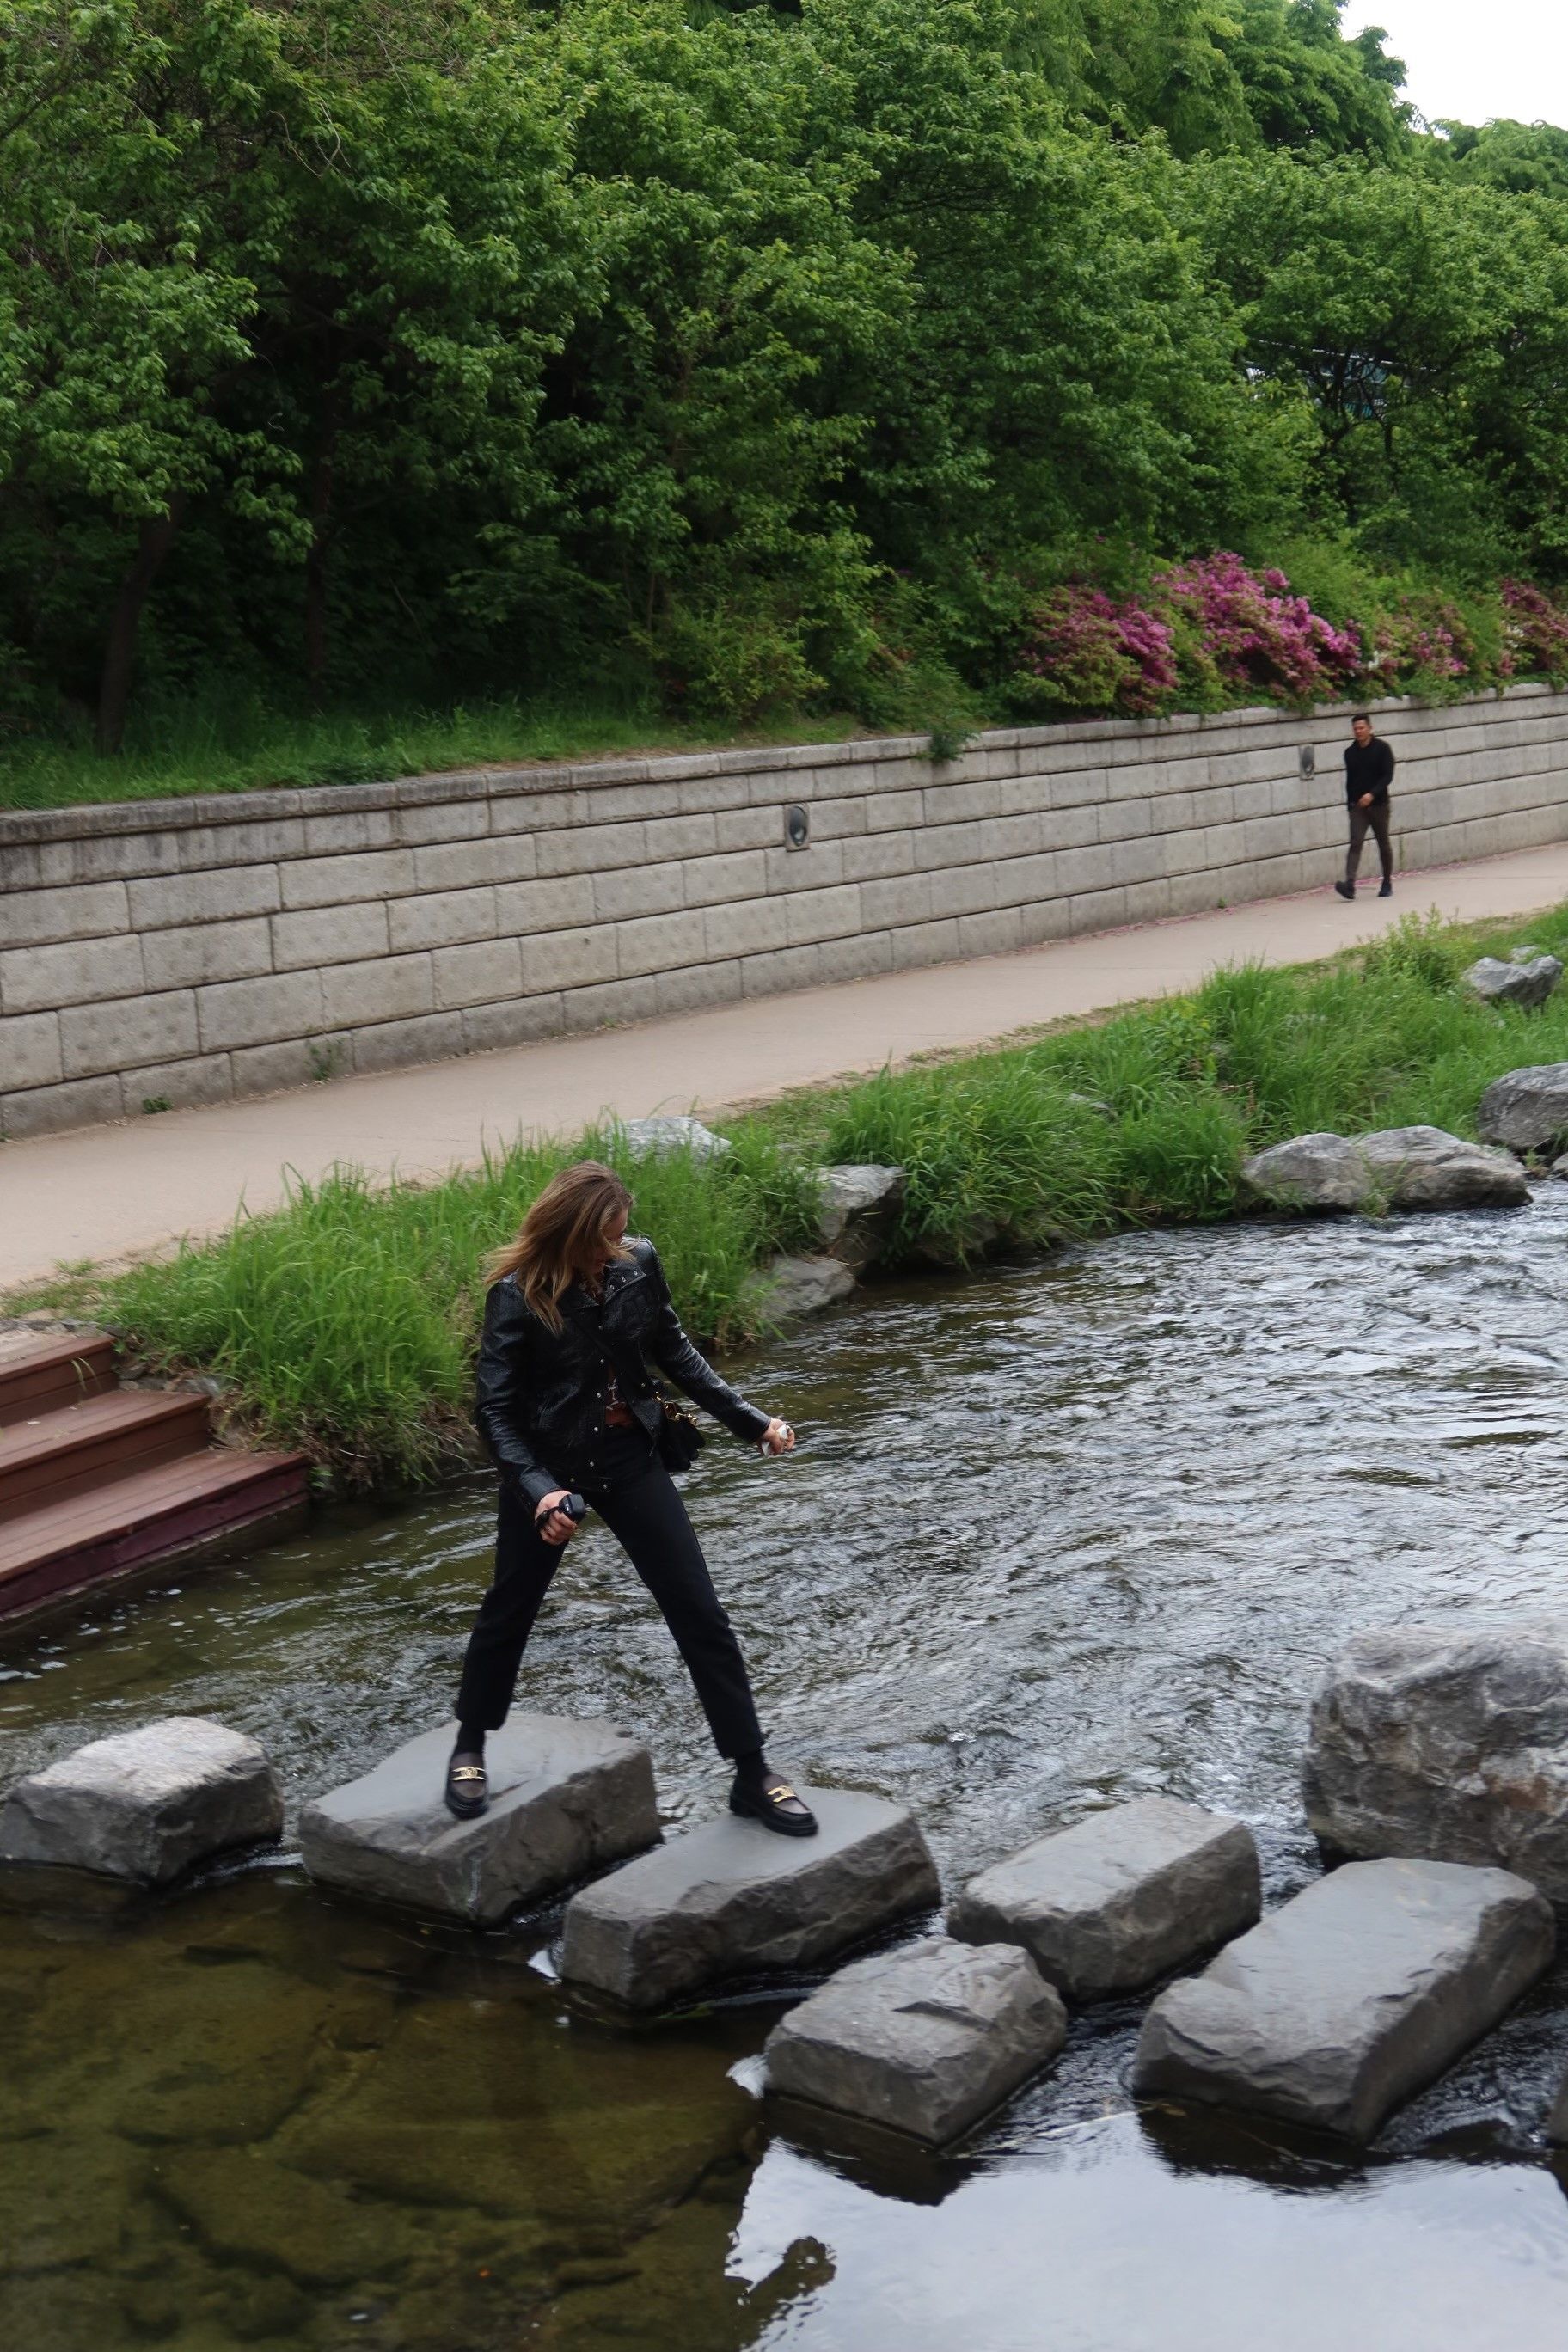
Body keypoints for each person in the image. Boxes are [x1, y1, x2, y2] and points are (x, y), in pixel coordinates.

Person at [448, 1159, 816, 1836]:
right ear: (565, 1234)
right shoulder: (516, 1295)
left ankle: (752, 1773)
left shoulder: (637, 1264)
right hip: (550, 1473)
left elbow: (676, 1354)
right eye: (599, 1241)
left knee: (701, 1613)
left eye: (618, 1237)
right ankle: (470, 1743)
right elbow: (494, 1415)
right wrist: (538, 1491)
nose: (610, 1252)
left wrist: (753, 1422)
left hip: (630, 1459)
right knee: (510, 1609)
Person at [1334, 713, 1394, 900]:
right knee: (1355, 842)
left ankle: (1386, 881)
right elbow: (1350, 781)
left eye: (1361, 728)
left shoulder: (1383, 749)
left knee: (1383, 843)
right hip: (1358, 807)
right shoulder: (1349, 753)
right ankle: (1349, 885)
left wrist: (1372, 794)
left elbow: (1388, 776)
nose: (1358, 731)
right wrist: (1351, 804)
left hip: (1379, 804)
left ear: (1370, 728)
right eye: (1355, 729)